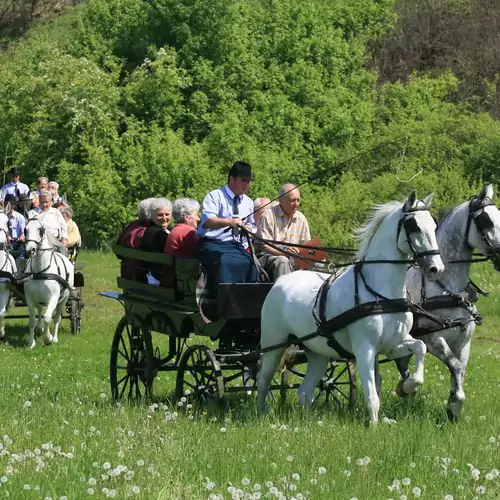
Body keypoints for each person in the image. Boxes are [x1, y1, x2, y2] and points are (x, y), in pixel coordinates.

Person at [196, 161, 259, 300]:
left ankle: (248, 302)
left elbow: (252, 225)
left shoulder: (248, 202)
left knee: (252, 263)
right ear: (232, 178)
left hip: (235, 246)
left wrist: (248, 229)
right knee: (224, 262)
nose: (246, 184)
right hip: (212, 243)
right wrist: (230, 222)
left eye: (248, 181)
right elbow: (208, 221)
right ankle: (223, 301)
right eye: (243, 180)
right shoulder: (215, 196)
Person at [256, 183, 311, 281]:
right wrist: (284, 253)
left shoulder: (301, 218)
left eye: (298, 200)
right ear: (281, 200)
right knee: (283, 261)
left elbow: (307, 246)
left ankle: (314, 294)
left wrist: (300, 252)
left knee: (318, 260)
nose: (296, 204)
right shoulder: (268, 215)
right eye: (293, 200)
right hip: (270, 258)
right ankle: (282, 294)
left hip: (294, 258)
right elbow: (263, 246)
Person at [140, 198, 173, 286]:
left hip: (156, 276)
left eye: (167, 214)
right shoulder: (157, 234)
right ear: (152, 216)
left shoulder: (165, 230)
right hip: (160, 278)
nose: (164, 218)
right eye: (160, 215)